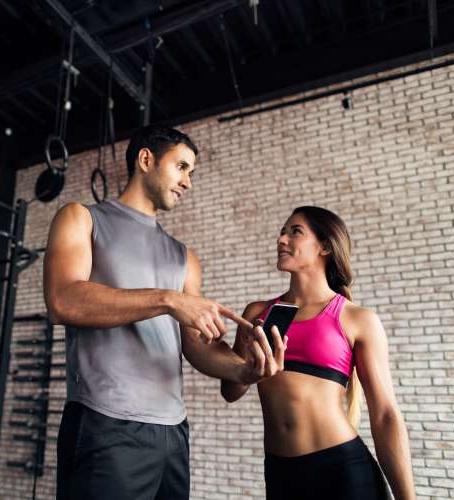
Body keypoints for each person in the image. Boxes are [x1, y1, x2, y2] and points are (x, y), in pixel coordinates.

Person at [43, 125, 286, 500]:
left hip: (172, 433)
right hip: (106, 422)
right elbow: (63, 300)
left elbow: (196, 347)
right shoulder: (81, 218)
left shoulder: (183, 257)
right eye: (182, 167)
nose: (188, 182)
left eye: (191, 172)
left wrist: (245, 370)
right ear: (145, 160)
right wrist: (169, 300)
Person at [221, 206, 415, 500]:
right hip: (280, 474)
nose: (281, 239)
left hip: (343, 471)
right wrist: (249, 360)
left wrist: (407, 498)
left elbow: (386, 415)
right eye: (281, 232)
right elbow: (231, 390)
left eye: (294, 232)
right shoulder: (258, 313)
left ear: (325, 246)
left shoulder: (356, 319)